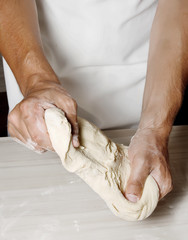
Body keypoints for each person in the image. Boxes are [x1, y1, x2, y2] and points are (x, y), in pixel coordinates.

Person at [0, 0, 187, 204]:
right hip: (38, 104)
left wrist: (155, 128)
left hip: (150, 86)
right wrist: (37, 81)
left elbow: (178, 6)